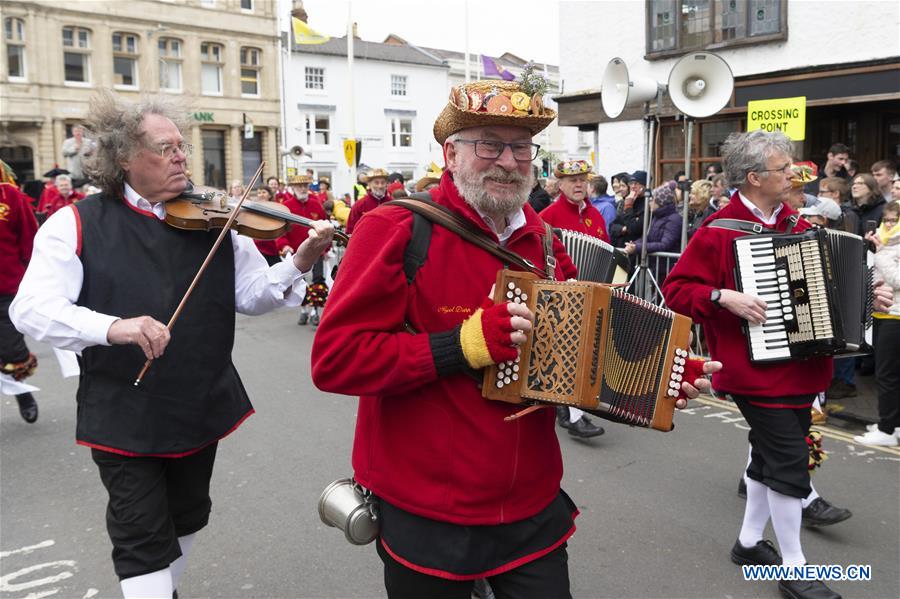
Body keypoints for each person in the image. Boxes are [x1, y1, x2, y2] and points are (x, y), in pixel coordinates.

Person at [311, 79, 717, 598]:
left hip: (529, 499)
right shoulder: (396, 229)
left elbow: (581, 364)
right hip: (429, 506)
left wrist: (659, 376)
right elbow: (335, 361)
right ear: (450, 153)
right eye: (489, 143)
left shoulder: (547, 242)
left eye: (521, 146)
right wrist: (462, 345)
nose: (507, 160)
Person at [9, 92, 334, 599]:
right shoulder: (74, 223)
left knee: (185, 519)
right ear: (124, 158)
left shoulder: (218, 218)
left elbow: (250, 296)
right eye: (165, 148)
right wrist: (115, 327)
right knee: (140, 537)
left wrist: (298, 261)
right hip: (123, 410)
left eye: (182, 146)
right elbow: (29, 309)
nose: (181, 156)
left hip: (199, 403)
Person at [663, 130, 841, 599]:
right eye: (784, 168)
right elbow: (676, 292)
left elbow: (832, 285)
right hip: (755, 372)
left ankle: (747, 543)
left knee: (768, 458)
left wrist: (869, 294)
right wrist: (724, 296)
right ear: (755, 176)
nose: (793, 174)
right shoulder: (718, 229)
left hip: (802, 367)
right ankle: (794, 567)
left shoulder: (799, 225)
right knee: (788, 463)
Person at [538, 159, 609, 439]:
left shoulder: (597, 215)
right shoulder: (547, 216)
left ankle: (567, 408)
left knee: (584, 351)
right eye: (572, 180)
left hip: (594, 293)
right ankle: (573, 414)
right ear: (560, 185)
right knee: (568, 351)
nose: (579, 184)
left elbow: (607, 251)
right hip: (561, 295)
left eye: (582, 179)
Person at [855, 201, 900, 446]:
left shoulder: (890, 246)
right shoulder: (884, 241)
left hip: (896, 316)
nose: (889, 225)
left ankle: (886, 429)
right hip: (882, 314)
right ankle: (894, 424)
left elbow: (896, 279)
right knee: (891, 375)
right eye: (888, 220)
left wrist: (880, 254)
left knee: (888, 375)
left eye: (894, 220)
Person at [0, 163, 40, 423]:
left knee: (12, 351)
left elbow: (30, 239)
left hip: (7, 289)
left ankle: (22, 393)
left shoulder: (10, 196)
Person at [275, 174, 328, 326]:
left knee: (318, 280)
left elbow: (326, 225)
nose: (303, 189)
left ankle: (315, 312)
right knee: (299, 282)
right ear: (293, 188)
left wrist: (326, 247)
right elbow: (280, 230)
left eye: (305, 186)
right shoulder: (287, 206)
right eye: (299, 186)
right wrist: (284, 245)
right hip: (297, 252)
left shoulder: (316, 204)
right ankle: (304, 310)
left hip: (316, 249)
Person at [623, 181, 682, 257]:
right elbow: (648, 238)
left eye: (652, 199)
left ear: (660, 202)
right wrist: (634, 244)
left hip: (665, 265)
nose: (649, 202)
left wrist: (638, 247)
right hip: (654, 263)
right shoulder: (656, 216)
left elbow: (665, 244)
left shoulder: (674, 219)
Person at [346, 168, 392, 234]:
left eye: (383, 182)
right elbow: (350, 230)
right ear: (369, 184)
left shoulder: (392, 204)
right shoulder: (359, 205)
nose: (380, 186)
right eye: (376, 182)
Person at [610, 170, 646, 249]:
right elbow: (612, 227)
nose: (633, 186)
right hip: (620, 247)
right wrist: (622, 229)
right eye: (631, 183)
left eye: (636, 183)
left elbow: (634, 228)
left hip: (634, 250)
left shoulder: (647, 204)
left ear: (644, 186)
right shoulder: (627, 201)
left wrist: (629, 206)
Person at [252, 186, 281, 266]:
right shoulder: (253, 208)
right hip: (257, 246)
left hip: (271, 245)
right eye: (259, 193)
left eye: (264, 192)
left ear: (270, 195)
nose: (261, 195)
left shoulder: (276, 208)